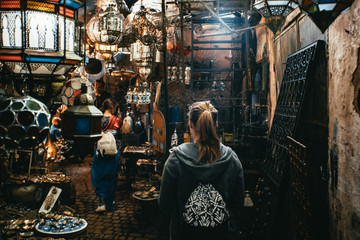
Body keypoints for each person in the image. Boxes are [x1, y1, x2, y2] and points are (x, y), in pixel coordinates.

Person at [159, 101, 245, 240]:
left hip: (184, 234)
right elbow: (238, 202)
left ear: (190, 124)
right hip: (223, 235)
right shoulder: (232, 159)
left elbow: (164, 204)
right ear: (215, 124)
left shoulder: (175, 160)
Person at [91, 98, 122, 212]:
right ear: (112, 108)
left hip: (99, 151)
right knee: (111, 176)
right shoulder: (117, 120)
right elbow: (120, 135)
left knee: (99, 175)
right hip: (112, 152)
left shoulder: (97, 119)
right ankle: (109, 201)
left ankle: (101, 202)